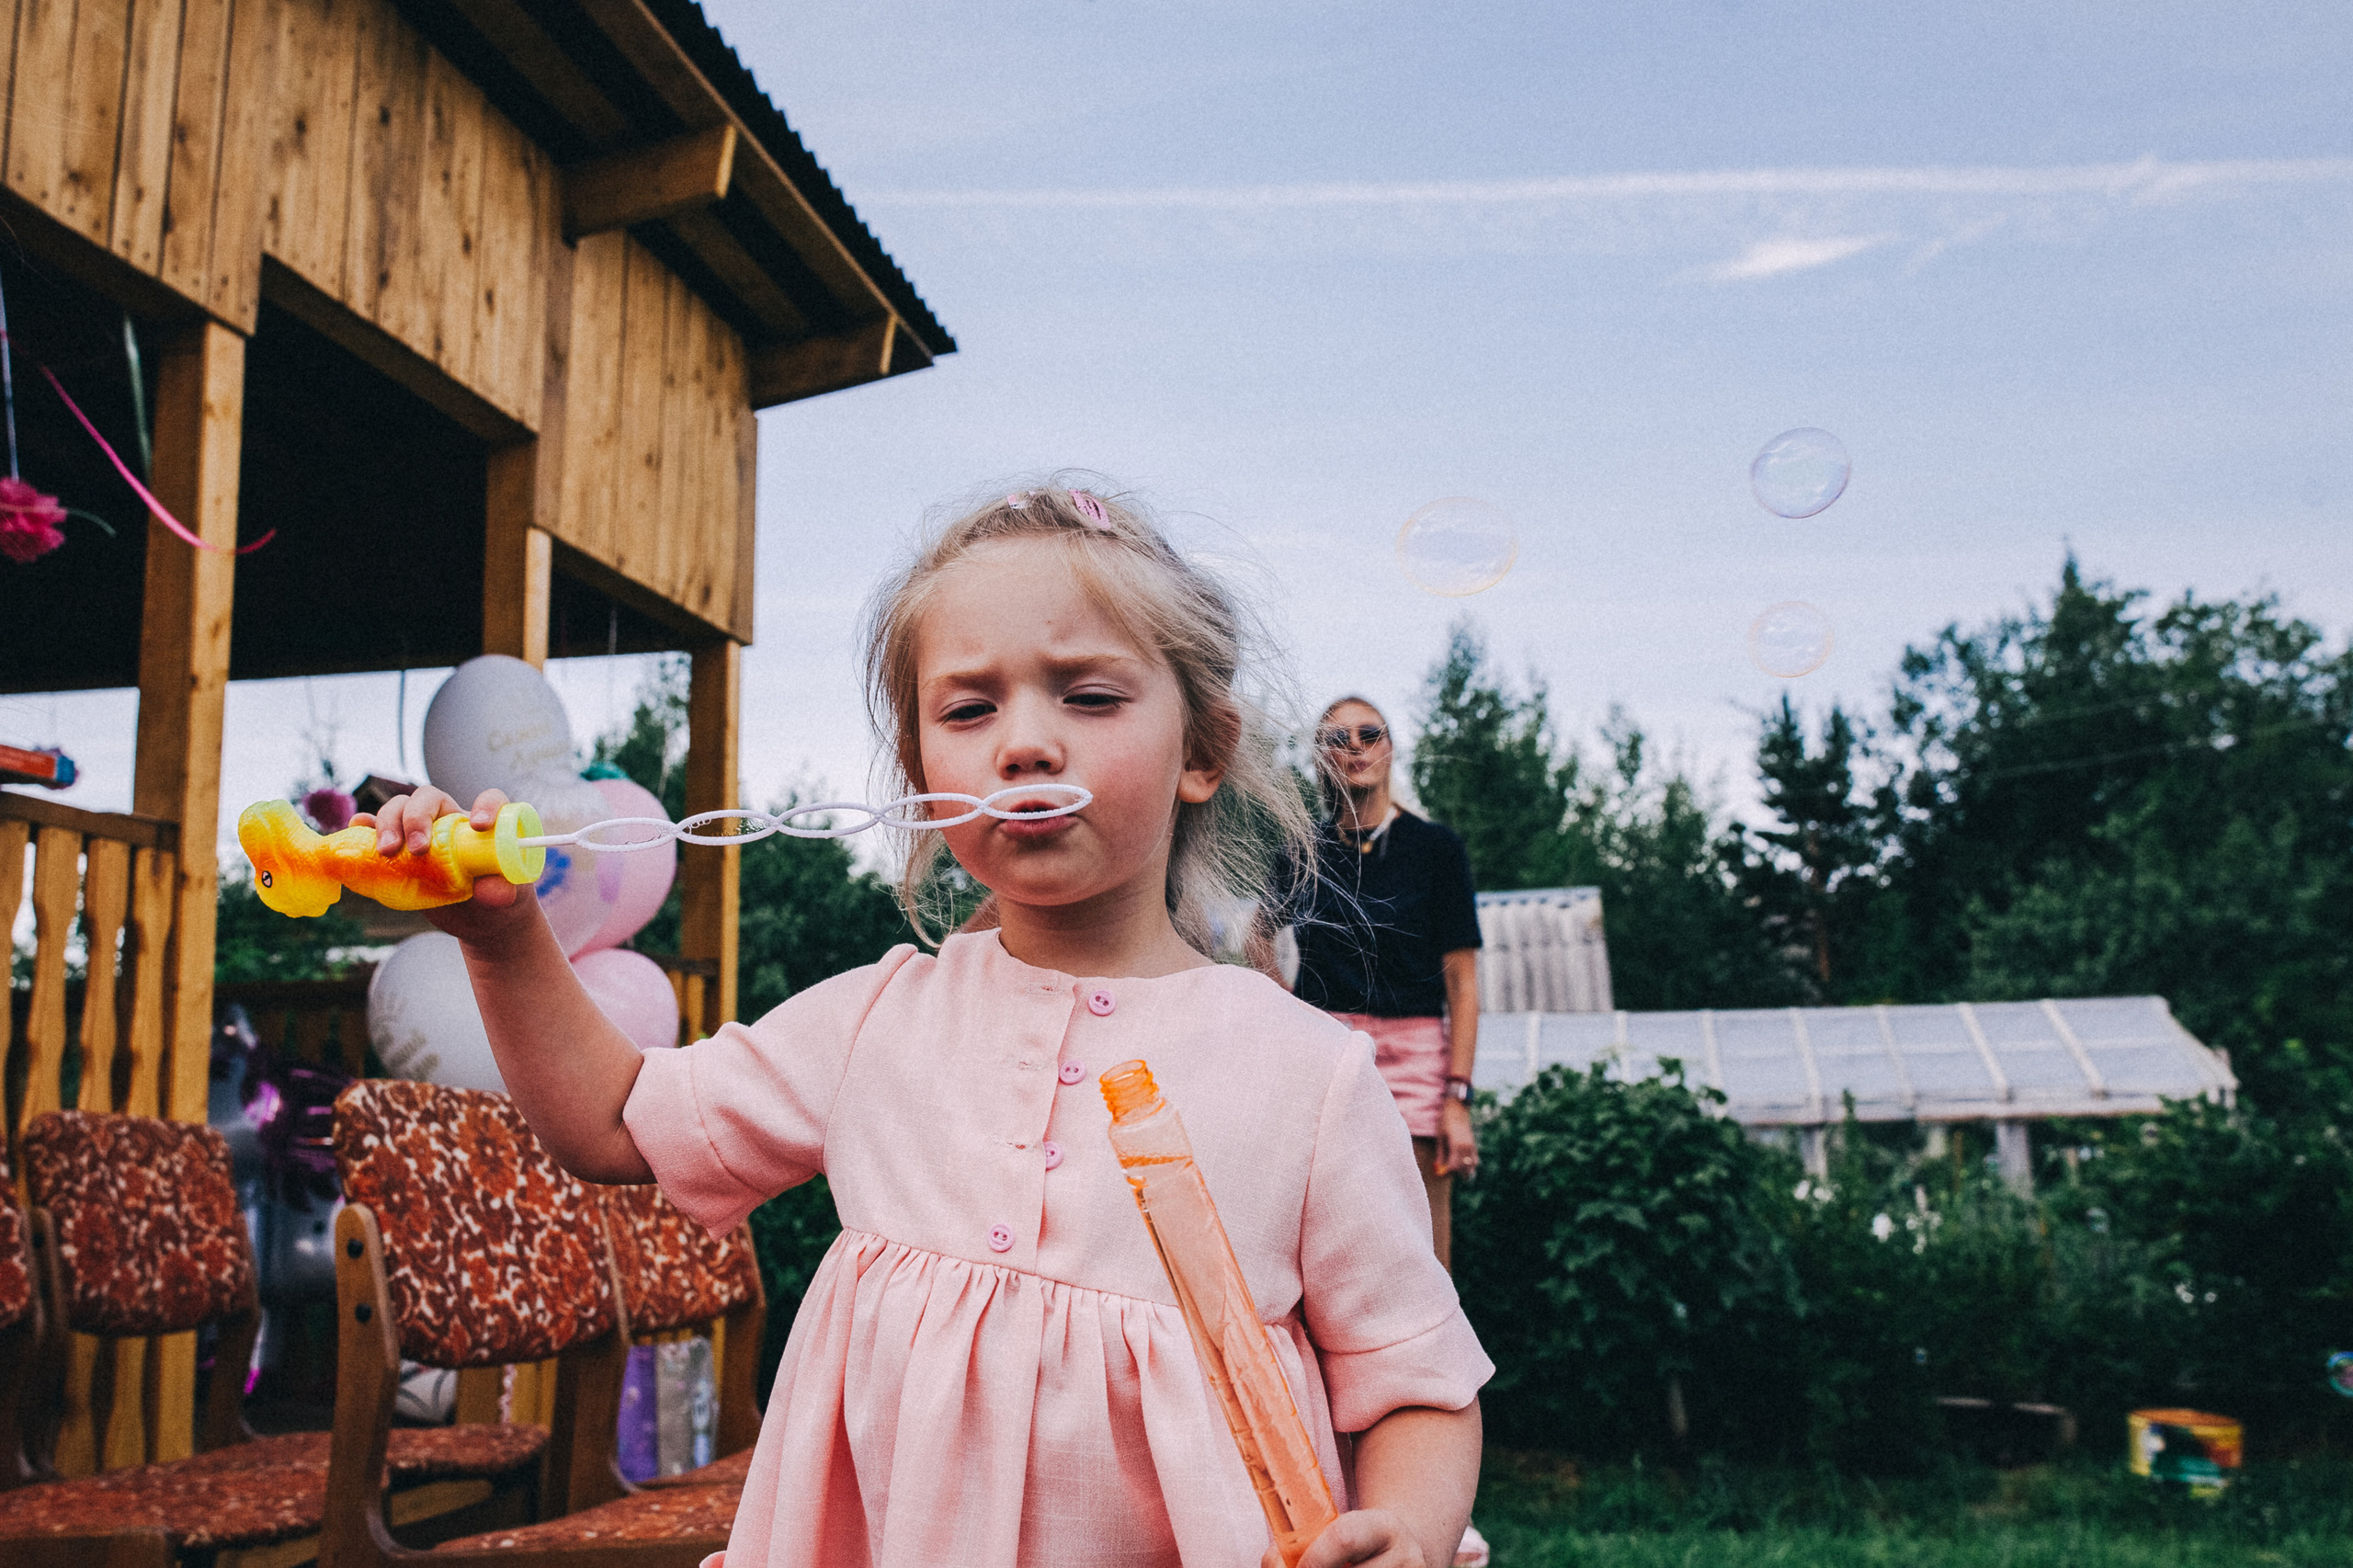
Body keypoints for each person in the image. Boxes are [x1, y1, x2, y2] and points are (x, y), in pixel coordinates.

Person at [362, 483, 1489, 1568]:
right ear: (922, 772)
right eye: (969, 708)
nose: (1025, 742)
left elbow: (1419, 1390)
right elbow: (612, 1120)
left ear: (1201, 750)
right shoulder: (876, 1021)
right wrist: (502, 937)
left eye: (1089, 696)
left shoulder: (1307, 1074)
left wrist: (1408, 1528)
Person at [1268, 699, 1483, 1272]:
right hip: (1326, 1051)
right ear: (1321, 758)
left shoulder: (1436, 849)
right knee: (1327, 1232)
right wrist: (1287, 1010)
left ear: (1390, 749)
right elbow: (1257, 932)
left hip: (1415, 1056)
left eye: (1370, 733)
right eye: (1338, 738)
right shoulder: (1303, 850)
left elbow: (1462, 982)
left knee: (1423, 1246)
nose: (1356, 746)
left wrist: (1457, 1099)